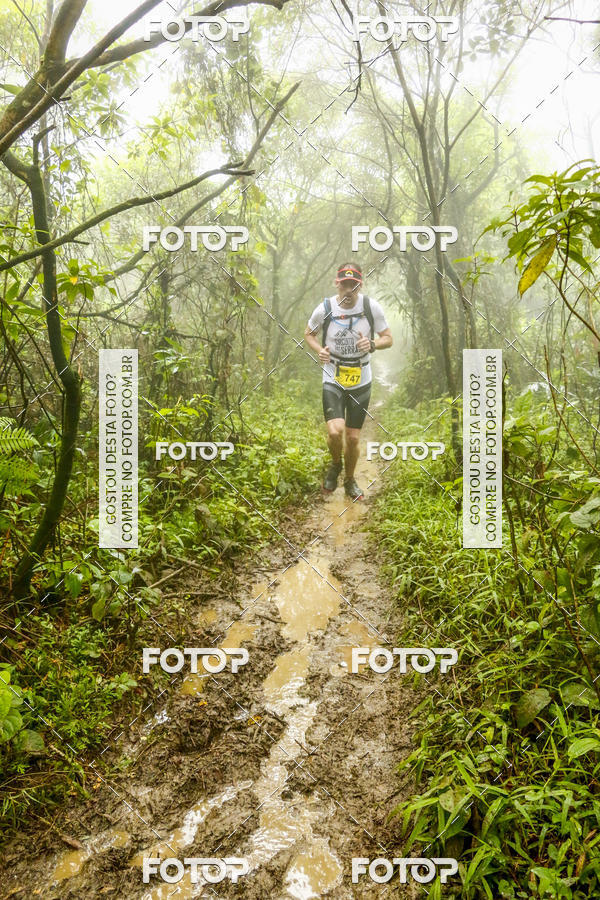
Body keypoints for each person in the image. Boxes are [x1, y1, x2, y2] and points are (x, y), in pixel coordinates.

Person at [304, 262, 393, 499]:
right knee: (335, 432)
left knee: (353, 438)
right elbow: (309, 334)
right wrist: (319, 351)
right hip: (333, 375)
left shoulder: (371, 307)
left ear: (360, 285)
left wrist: (372, 344)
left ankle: (350, 480)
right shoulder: (325, 308)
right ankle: (336, 465)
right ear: (337, 284)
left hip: (361, 378)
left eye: (353, 285)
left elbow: (388, 338)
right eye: (344, 285)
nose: (348, 290)